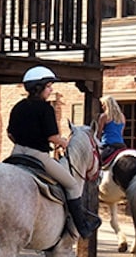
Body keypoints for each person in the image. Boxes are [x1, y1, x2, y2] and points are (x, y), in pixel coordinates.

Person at [7, 66, 101, 238]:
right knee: (72, 184)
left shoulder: (18, 106)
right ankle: (82, 227)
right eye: (49, 86)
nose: (51, 90)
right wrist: (65, 143)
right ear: (39, 87)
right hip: (39, 156)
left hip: (16, 154)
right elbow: (52, 136)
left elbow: (10, 133)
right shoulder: (46, 109)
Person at [97, 96, 128, 164]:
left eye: (103, 104)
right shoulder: (122, 117)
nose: (102, 107)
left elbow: (98, 134)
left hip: (108, 145)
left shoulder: (104, 116)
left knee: (98, 162)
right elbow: (121, 133)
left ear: (107, 105)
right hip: (121, 145)